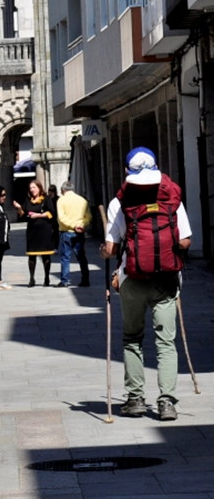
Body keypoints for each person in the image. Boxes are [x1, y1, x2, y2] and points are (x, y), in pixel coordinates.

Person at [101, 147, 192, 421]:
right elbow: (186, 240)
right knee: (166, 343)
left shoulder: (121, 201)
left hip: (132, 279)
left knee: (132, 339)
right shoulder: (170, 197)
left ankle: (135, 399)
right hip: (166, 279)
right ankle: (167, 403)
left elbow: (110, 248)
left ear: (127, 171)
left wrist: (104, 252)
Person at [12, 180, 56, 288]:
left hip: (44, 229)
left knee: (46, 255)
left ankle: (46, 277)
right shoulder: (28, 200)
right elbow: (23, 215)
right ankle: (31, 278)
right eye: (30, 188)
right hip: (32, 230)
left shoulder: (46, 199)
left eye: (34, 187)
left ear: (39, 188)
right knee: (32, 255)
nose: (32, 190)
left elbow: (52, 213)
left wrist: (38, 215)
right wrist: (18, 208)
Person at [56, 181, 91, 287]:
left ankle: (65, 280)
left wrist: (72, 225)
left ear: (63, 190)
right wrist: (81, 225)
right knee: (81, 256)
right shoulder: (82, 200)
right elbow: (88, 217)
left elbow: (61, 218)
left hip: (66, 231)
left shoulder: (61, 200)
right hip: (79, 232)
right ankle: (85, 280)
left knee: (65, 257)